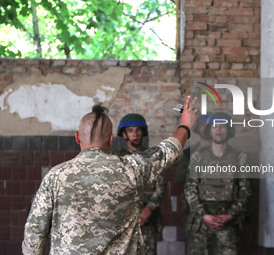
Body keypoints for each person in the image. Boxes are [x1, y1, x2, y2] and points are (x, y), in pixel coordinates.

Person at [22, 96, 197, 255]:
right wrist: (185, 126)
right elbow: (168, 151)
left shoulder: (54, 177)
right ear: (111, 140)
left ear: (77, 137)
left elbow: (34, 235)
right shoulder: (131, 168)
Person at [184, 112, 251, 255]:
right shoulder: (198, 156)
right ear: (209, 130)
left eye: (223, 126)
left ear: (229, 130)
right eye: (215, 126)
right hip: (201, 221)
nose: (218, 129)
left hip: (227, 221)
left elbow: (245, 191)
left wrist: (230, 215)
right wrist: (204, 215)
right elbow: (190, 189)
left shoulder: (239, 157)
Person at [113, 113, 165, 255]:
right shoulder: (117, 157)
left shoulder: (153, 156)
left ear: (143, 132)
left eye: (138, 130)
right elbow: (113, 187)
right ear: (124, 134)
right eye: (130, 130)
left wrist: (148, 209)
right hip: (123, 220)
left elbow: (161, 187)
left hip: (147, 220)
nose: (135, 134)